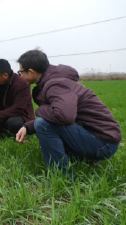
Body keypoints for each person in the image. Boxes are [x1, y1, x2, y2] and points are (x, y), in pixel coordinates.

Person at [15, 49, 122, 178]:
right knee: (44, 122)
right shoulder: (56, 80)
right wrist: (27, 126)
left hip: (103, 143)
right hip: (104, 139)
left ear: (31, 72)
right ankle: (83, 158)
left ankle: (61, 176)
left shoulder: (55, 84)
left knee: (43, 124)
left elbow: (64, 116)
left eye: (20, 72)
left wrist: (39, 111)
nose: (20, 75)